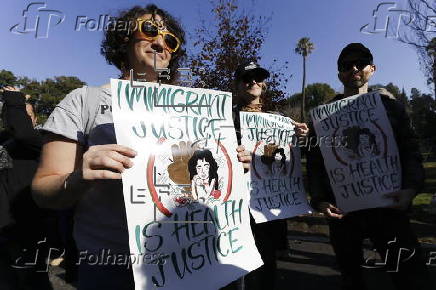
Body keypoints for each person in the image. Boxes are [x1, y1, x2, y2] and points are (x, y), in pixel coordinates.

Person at [31, 4, 252, 290]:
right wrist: (79, 177)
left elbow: (207, 175)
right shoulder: (83, 100)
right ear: (124, 39)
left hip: (195, 258)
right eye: (150, 31)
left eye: (170, 40)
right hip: (112, 267)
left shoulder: (195, 108)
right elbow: (42, 191)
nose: (160, 42)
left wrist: (234, 164)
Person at [306, 43, 432, 290]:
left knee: (410, 275)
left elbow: (410, 151)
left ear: (371, 69)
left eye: (360, 63)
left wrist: (410, 189)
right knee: (352, 277)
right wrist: (320, 200)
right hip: (343, 213)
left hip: (390, 207)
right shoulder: (323, 118)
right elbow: (315, 163)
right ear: (339, 74)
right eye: (346, 65)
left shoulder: (390, 107)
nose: (353, 68)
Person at [229, 61, 309, 290]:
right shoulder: (225, 118)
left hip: (267, 207)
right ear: (238, 85)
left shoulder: (278, 120)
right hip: (236, 208)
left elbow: (276, 161)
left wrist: (301, 137)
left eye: (258, 78)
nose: (253, 82)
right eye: (247, 78)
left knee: (266, 268)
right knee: (237, 272)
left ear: (263, 84)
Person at [0, 87, 52, 290]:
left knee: (31, 281)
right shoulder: (4, 140)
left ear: (34, 118)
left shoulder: (41, 140)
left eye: (25, 113)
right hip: (3, 228)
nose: (18, 117)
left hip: (25, 226)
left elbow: (22, 133)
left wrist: (14, 101)